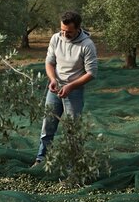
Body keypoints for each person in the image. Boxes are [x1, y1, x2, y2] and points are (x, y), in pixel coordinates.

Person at [33, 11, 98, 167]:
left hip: (74, 90)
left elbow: (91, 73)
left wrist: (71, 86)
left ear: (77, 28)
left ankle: (72, 164)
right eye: (62, 29)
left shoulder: (87, 45)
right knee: (48, 124)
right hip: (55, 89)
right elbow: (49, 63)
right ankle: (41, 159)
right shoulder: (56, 38)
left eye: (68, 31)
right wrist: (53, 80)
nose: (64, 33)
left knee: (72, 129)